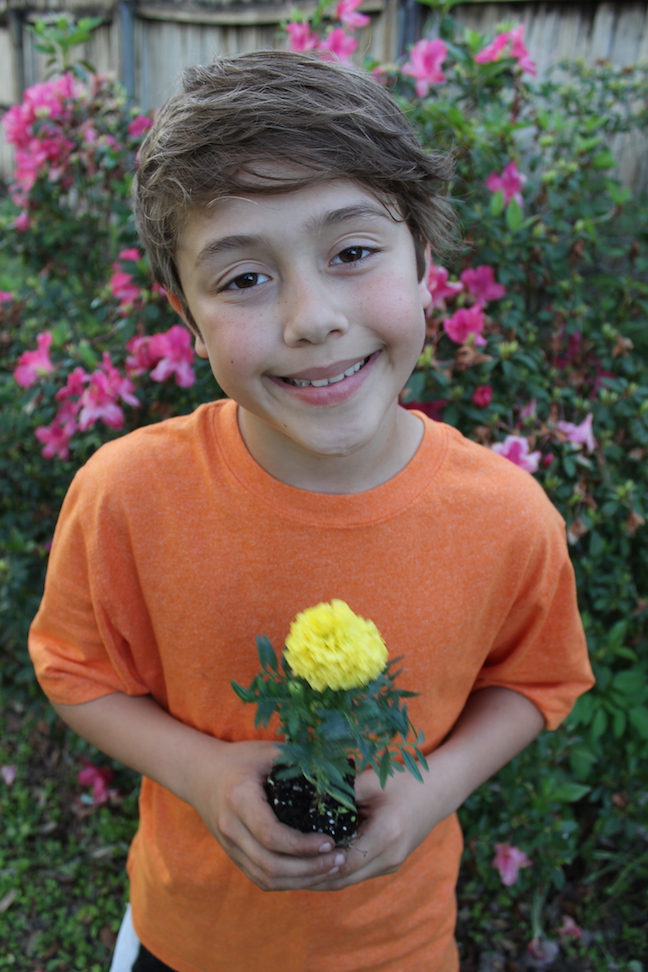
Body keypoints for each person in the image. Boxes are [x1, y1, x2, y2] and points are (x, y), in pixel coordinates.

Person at [28, 50, 594, 972]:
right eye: (244, 278)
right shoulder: (128, 496)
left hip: (396, 948)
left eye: (354, 252)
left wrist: (431, 790)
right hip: (187, 940)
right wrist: (202, 773)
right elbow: (75, 670)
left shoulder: (507, 516)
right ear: (186, 311)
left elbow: (537, 682)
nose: (312, 318)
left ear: (425, 262)